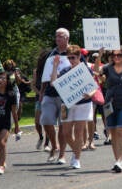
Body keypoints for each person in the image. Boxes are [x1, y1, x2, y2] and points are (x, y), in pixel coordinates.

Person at [50, 45, 95, 169]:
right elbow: (53, 83)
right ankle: (76, 151)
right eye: (69, 58)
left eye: (73, 57)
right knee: (66, 133)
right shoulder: (65, 71)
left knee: (79, 132)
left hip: (83, 104)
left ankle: (77, 159)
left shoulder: (85, 69)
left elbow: (94, 87)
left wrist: (89, 94)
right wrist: (54, 66)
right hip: (67, 104)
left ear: (79, 56)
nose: (71, 60)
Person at [40, 28, 70, 163]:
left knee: (63, 125)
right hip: (50, 94)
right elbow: (46, 75)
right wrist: (41, 92)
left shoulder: (74, 52)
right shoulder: (51, 54)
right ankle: (54, 145)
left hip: (66, 96)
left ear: (67, 38)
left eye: (60, 36)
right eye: (56, 36)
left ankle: (62, 154)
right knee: (46, 120)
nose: (57, 39)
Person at [0, 72, 20, 174]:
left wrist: (17, 126)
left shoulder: (11, 94)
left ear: (7, 81)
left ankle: (1, 166)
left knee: (1, 142)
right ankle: (2, 162)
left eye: (2, 78)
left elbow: (14, 112)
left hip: (5, 122)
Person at [32, 49, 51, 150]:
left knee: (47, 121)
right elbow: (33, 85)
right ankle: (41, 136)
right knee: (37, 121)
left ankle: (47, 144)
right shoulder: (37, 71)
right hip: (39, 98)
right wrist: (40, 93)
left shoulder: (52, 70)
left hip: (49, 97)